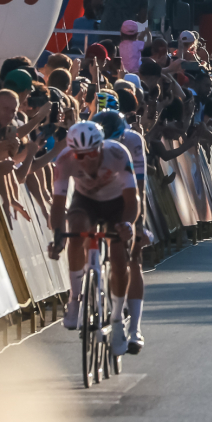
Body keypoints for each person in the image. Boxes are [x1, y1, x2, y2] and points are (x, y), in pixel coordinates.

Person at [48, 122, 139, 354]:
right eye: (80, 155)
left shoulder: (118, 153)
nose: (86, 160)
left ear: (101, 147)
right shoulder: (64, 159)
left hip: (116, 204)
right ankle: (75, 298)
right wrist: (58, 237)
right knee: (75, 229)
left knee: (119, 259)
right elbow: (58, 205)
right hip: (85, 201)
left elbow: (132, 200)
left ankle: (118, 318)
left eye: (91, 154)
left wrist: (127, 224)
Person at [91, 109, 148, 355]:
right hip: (97, 194)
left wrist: (137, 224)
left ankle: (134, 329)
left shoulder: (133, 141)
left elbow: (139, 189)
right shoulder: (87, 137)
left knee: (133, 258)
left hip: (127, 193)